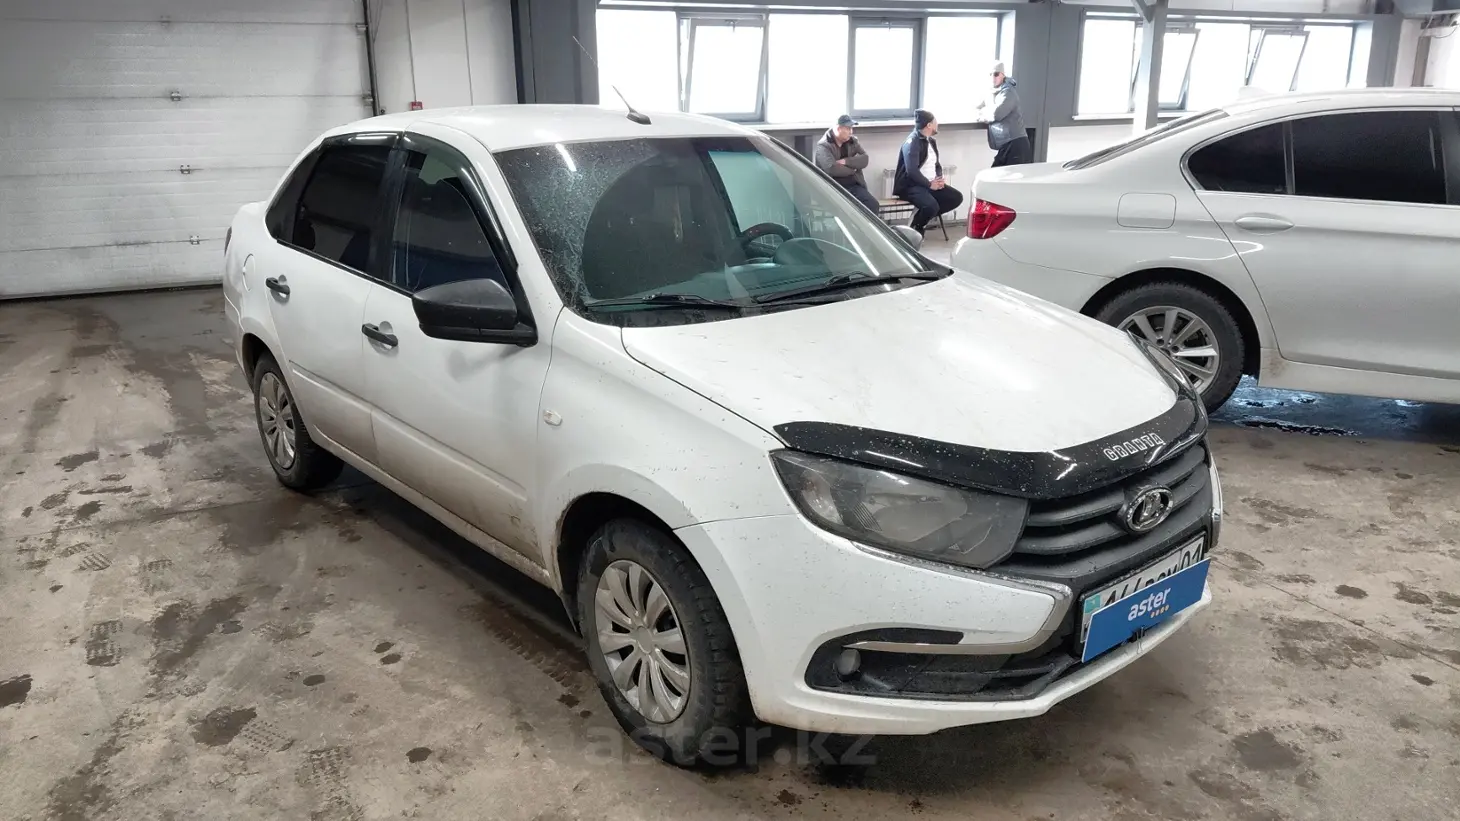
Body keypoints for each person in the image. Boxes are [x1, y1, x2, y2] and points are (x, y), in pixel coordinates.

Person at [893, 109, 963, 236]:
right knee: (931, 206)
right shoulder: (912, 142)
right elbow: (912, 171)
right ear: (929, 125)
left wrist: (939, 178)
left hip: (931, 183)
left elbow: (937, 164)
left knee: (956, 198)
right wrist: (930, 184)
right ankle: (917, 226)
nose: (937, 124)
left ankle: (921, 217)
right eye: (935, 121)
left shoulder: (931, 141)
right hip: (912, 186)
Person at [813, 115, 878, 213]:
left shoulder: (852, 141)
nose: (851, 132)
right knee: (848, 211)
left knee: (872, 204)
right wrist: (853, 169)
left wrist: (847, 161)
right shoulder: (823, 146)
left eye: (851, 128)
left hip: (854, 185)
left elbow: (865, 159)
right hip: (834, 188)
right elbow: (832, 169)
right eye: (848, 129)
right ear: (838, 129)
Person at [977, 60, 1030, 167]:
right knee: (995, 174)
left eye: (996, 74)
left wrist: (983, 115)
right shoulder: (991, 93)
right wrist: (983, 112)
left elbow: (997, 114)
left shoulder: (1008, 92)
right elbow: (976, 108)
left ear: (1003, 75)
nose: (993, 77)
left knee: (1004, 176)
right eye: (990, 74)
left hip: (1015, 144)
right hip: (1005, 145)